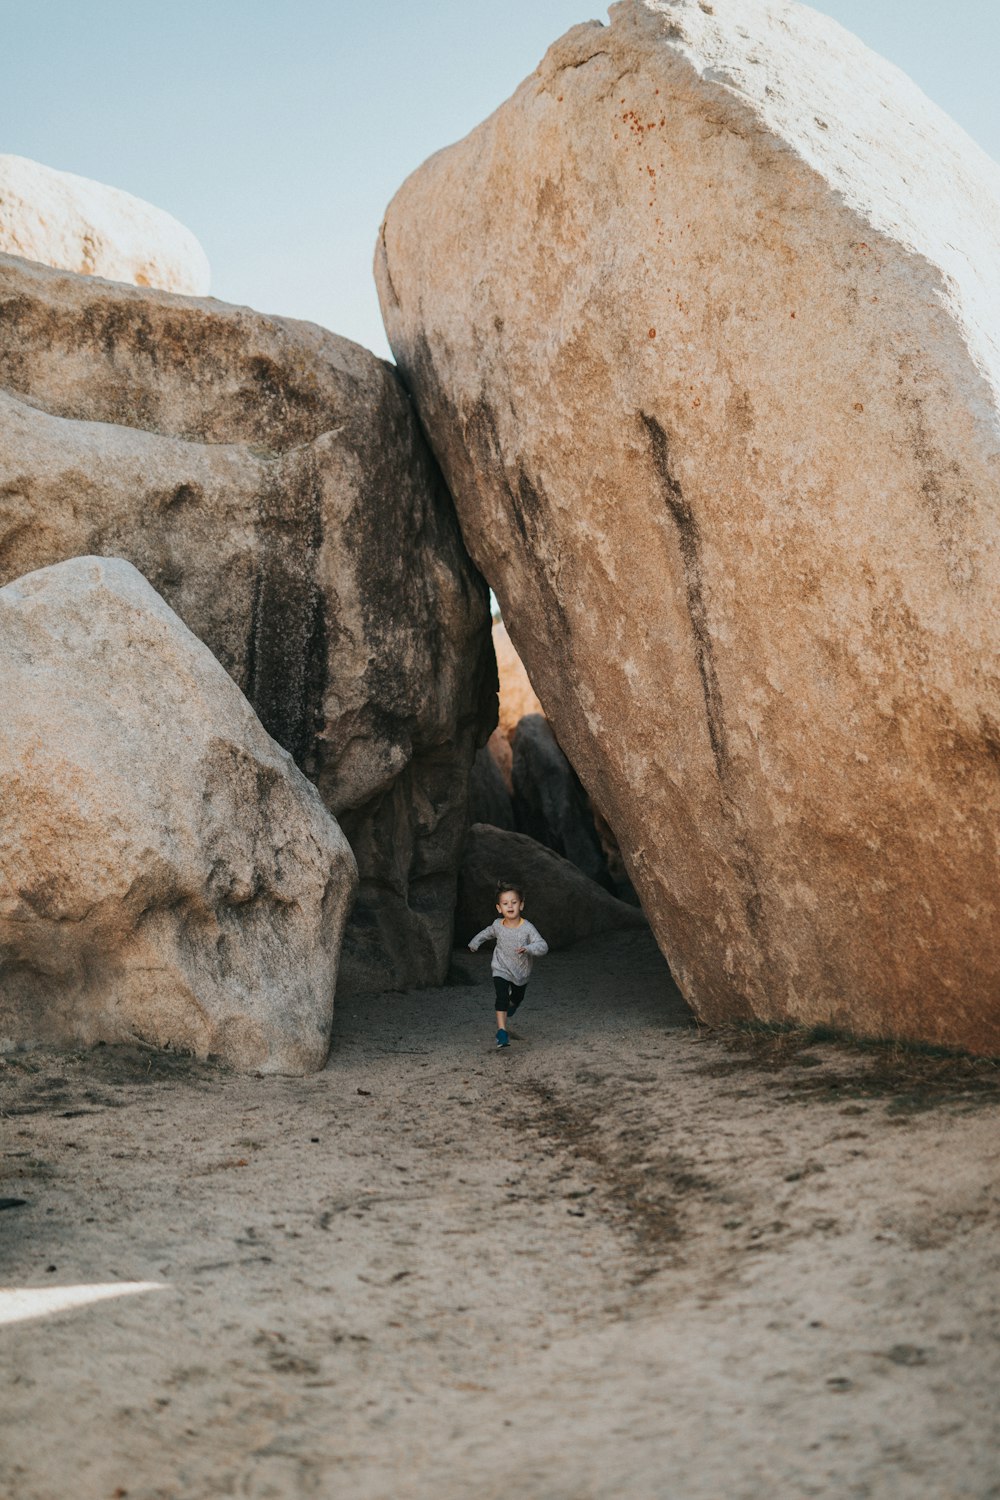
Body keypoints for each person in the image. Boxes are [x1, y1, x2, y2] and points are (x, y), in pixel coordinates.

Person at [468, 880, 549, 1048]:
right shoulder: (497, 925)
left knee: (517, 997)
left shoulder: (527, 928)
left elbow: (543, 946)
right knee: (501, 997)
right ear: (499, 908)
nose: (510, 906)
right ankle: (502, 1032)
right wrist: (475, 942)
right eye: (505, 903)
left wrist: (528, 948)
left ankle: (514, 1003)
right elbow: (486, 933)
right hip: (501, 967)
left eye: (514, 902)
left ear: (521, 905)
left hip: (521, 973)